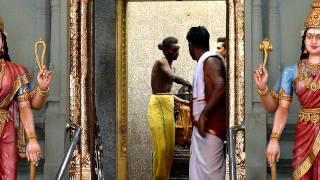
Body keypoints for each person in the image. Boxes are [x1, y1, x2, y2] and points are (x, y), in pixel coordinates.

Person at [261, 2, 320, 179]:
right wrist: (263, 88)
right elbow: (278, 107)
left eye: (318, 36)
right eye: (310, 36)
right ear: (304, 39)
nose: (314, 41)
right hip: (305, 131)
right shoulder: (291, 71)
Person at [0, 16, 52, 179]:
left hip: (5, 130)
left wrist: (32, 138)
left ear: (2, 40)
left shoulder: (15, 71)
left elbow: (28, 106)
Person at [148, 36, 192, 180]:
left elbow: (169, 95)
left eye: (178, 50)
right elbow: (173, 78)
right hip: (157, 105)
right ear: (166, 50)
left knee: (169, 150)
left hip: (167, 104)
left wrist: (186, 103)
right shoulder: (161, 62)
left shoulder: (173, 66)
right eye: (174, 50)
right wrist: (190, 84)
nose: (177, 53)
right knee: (161, 148)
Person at [187, 26, 227, 180]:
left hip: (211, 130)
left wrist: (204, 114)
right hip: (202, 131)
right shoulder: (204, 62)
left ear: (191, 45)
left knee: (211, 176)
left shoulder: (210, 60)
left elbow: (220, 87)